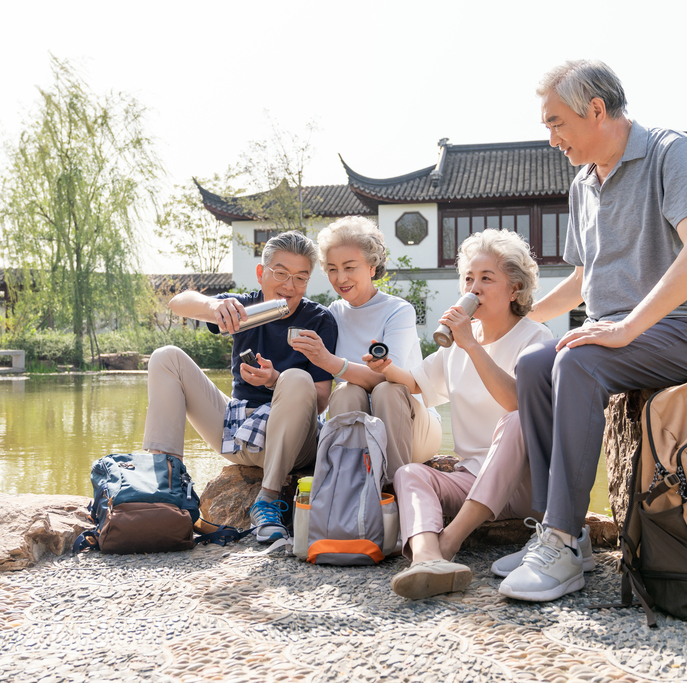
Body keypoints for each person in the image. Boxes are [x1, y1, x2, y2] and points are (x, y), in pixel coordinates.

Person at [496, 60, 687, 602]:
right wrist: (520, 316)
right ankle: (563, 533)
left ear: (596, 110)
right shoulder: (583, 182)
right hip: (624, 332)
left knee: (577, 360)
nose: (551, 137)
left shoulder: (672, 151)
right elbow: (584, 280)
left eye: (556, 122)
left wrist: (625, 328)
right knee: (536, 364)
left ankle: (559, 543)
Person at [364, 229, 553, 600]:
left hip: (525, 482)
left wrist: (470, 345)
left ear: (515, 288)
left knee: (514, 420)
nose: (474, 287)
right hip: (472, 477)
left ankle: (448, 543)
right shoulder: (458, 342)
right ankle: (426, 558)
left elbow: (518, 403)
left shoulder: (536, 338)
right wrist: (385, 367)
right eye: (468, 278)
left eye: (486, 278)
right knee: (410, 473)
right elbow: (417, 383)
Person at [141, 231, 338, 543]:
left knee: (297, 379)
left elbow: (323, 399)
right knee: (166, 358)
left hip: (293, 441)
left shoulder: (319, 319)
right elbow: (178, 302)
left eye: (301, 277)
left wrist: (276, 380)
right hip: (238, 429)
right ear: (261, 273)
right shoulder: (242, 308)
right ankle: (161, 486)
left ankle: (268, 499)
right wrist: (212, 308)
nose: (290, 286)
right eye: (281, 273)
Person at [289, 215, 441, 479]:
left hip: (411, 427)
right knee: (346, 392)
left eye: (350, 267)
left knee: (387, 389)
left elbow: (387, 378)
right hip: (360, 426)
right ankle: (348, 487)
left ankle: (394, 492)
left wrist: (329, 361)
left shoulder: (399, 310)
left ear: (372, 267)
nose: (341, 277)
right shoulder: (331, 314)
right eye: (333, 269)